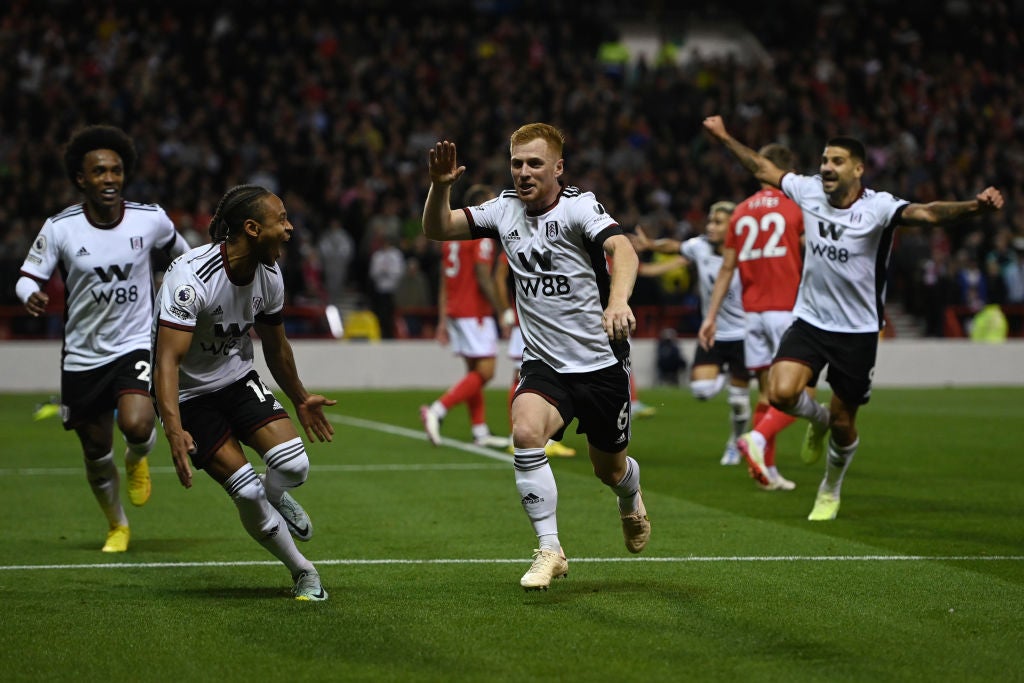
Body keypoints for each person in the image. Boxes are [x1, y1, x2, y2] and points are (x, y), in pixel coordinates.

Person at [702, 115, 1004, 521]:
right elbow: (762, 168)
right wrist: (724, 137)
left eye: (837, 161)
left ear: (858, 169)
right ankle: (818, 419)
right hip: (810, 319)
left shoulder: (878, 208)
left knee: (846, 425)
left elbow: (929, 214)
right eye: (825, 159)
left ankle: (830, 488)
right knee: (781, 392)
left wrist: (974, 207)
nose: (826, 167)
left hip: (857, 332)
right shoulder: (807, 190)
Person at [422, 124, 650, 591]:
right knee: (525, 433)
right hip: (545, 363)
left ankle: (630, 497)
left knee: (609, 468)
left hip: (600, 364)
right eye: (517, 163)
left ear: (558, 168)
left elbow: (622, 249)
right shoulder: (503, 210)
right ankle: (550, 549)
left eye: (535, 164)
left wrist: (618, 301)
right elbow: (438, 228)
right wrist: (440, 187)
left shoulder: (578, 208)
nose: (523, 173)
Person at [152, 184, 335, 600]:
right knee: (247, 491)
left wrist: (301, 398)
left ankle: (276, 498)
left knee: (295, 468)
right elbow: (167, 362)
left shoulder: (269, 275)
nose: (289, 228)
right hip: (187, 395)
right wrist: (174, 430)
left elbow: (276, 346)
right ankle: (303, 572)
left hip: (236, 379)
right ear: (252, 229)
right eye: (281, 220)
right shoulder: (190, 279)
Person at [15, 124, 189, 552]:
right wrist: (30, 295)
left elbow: (184, 256)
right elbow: (26, 276)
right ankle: (117, 525)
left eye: (115, 170)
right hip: (81, 356)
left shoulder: (150, 219)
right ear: (81, 179)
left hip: (134, 344)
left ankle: (138, 457)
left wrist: (181, 293)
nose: (109, 179)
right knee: (94, 448)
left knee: (137, 422)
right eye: (99, 172)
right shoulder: (60, 228)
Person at [698, 143, 807, 490]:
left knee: (767, 395)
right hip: (787, 311)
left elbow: (727, 269)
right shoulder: (796, 207)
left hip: (752, 317)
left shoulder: (741, 212)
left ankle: (768, 472)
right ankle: (756, 438)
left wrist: (710, 317)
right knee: (801, 395)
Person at [630, 202, 754, 470]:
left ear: (733, 226)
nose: (711, 227)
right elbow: (673, 246)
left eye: (718, 222)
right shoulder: (700, 246)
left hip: (744, 334)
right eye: (710, 221)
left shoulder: (749, 252)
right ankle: (723, 375)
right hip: (713, 332)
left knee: (738, 401)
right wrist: (650, 245)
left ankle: (735, 443)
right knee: (701, 390)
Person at [420, 184, 511, 448]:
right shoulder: (481, 235)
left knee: (473, 370)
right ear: (481, 206)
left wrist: (442, 319)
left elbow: (444, 281)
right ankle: (437, 410)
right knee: (486, 372)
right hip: (474, 312)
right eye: (492, 202)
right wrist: (501, 309)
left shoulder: (452, 236)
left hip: (456, 312)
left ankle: (479, 431)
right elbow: (484, 277)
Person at [494, 244, 577, 459]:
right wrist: (505, 310)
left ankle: (545, 437)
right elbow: (499, 277)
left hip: (551, 322)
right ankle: (517, 433)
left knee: (552, 377)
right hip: (528, 321)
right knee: (522, 376)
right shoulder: (518, 242)